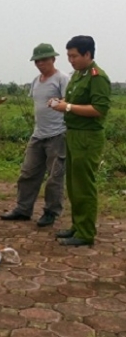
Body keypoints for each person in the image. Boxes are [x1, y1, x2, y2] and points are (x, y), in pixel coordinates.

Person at [49, 35, 110, 246]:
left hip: (88, 137)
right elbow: (74, 101)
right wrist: (61, 102)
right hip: (73, 133)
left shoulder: (97, 77)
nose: (70, 60)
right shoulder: (78, 76)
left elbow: (99, 109)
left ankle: (85, 233)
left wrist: (67, 107)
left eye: (74, 56)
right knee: (74, 185)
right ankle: (77, 226)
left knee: (84, 185)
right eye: (68, 55)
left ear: (87, 54)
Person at [1, 44, 69, 227]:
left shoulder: (62, 79)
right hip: (38, 134)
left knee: (54, 177)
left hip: (58, 134)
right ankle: (23, 209)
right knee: (28, 173)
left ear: (53, 59)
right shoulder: (36, 81)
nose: (40, 64)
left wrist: (59, 102)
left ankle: (51, 212)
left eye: (44, 60)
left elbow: (69, 102)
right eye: (37, 61)